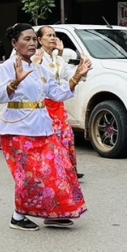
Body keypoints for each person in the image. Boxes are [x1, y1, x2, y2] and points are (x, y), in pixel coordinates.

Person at [0, 23, 92, 231]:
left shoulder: (39, 69)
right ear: (14, 43)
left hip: (43, 126)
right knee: (29, 175)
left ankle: (53, 213)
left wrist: (76, 77)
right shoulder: (8, 67)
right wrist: (15, 83)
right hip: (17, 129)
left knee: (55, 170)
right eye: (26, 39)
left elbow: (57, 93)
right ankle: (18, 217)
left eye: (33, 39)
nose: (31, 43)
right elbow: (0, 96)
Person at [37, 26, 88, 179]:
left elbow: (69, 75)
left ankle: (67, 169)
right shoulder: (36, 58)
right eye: (49, 35)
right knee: (48, 139)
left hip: (58, 105)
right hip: (44, 106)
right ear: (40, 40)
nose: (53, 38)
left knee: (65, 136)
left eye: (54, 35)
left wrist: (81, 69)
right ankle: (51, 170)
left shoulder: (58, 59)